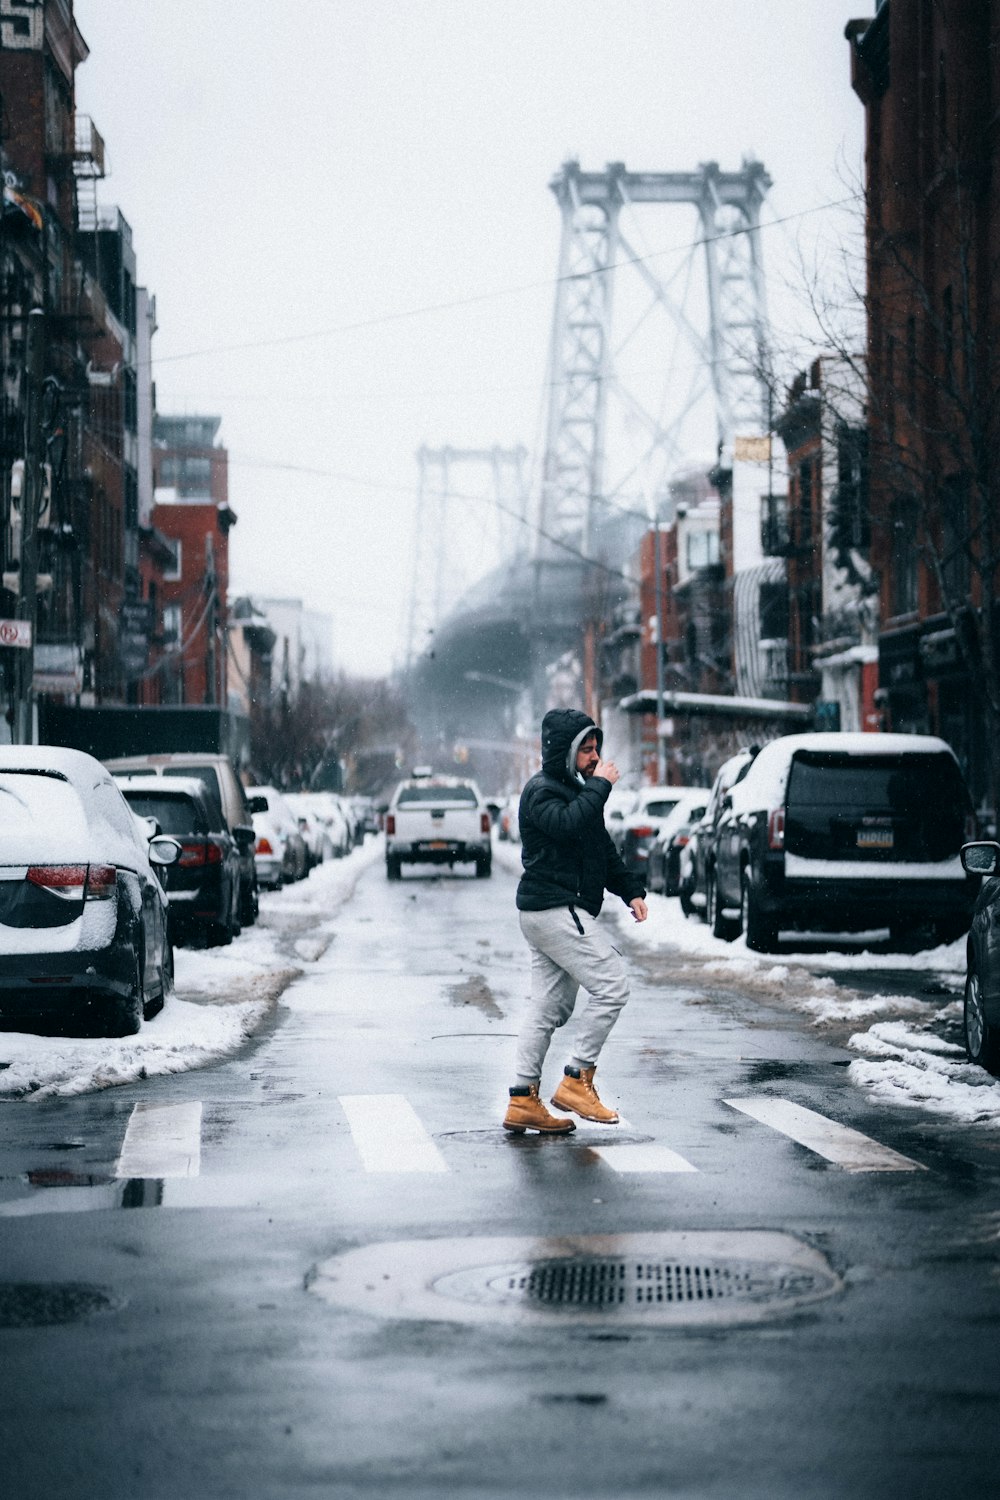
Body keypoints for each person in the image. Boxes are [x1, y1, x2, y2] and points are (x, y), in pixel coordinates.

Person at [502, 708, 648, 1135]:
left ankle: (523, 1099)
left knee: (549, 1007)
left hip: (550, 912)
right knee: (612, 985)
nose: (594, 756)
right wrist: (600, 784)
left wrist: (631, 890)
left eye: (595, 748)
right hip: (554, 909)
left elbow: (600, 848)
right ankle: (576, 1080)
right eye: (585, 749)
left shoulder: (577, 793)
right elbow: (567, 827)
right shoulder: (542, 792)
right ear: (564, 752)